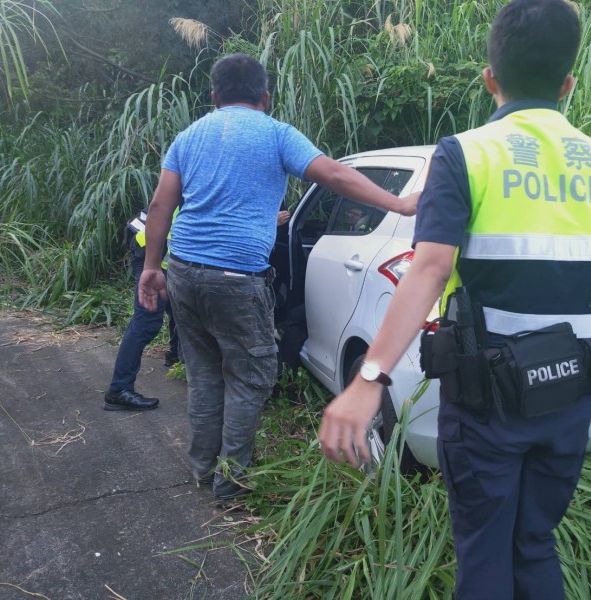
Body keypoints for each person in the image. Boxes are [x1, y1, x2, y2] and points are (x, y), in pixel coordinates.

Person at [318, 1, 591, 598]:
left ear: (489, 78)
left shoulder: (465, 152)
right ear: (568, 84)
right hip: (574, 392)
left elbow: (429, 268)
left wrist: (370, 379)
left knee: (486, 550)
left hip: (488, 398)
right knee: (535, 542)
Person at [137, 53, 418, 503]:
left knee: (205, 373)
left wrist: (152, 267)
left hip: (184, 271)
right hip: (235, 277)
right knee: (250, 376)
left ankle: (203, 469)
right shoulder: (275, 133)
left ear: (214, 96)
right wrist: (400, 204)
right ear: (266, 96)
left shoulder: (188, 137)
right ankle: (230, 482)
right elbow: (333, 174)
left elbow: (160, 207)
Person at [103, 210, 180, 411]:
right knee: (147, 321)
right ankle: (119, 390)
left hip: (154, 247)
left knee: (179, 307)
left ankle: (176, 356)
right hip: (151, 251)